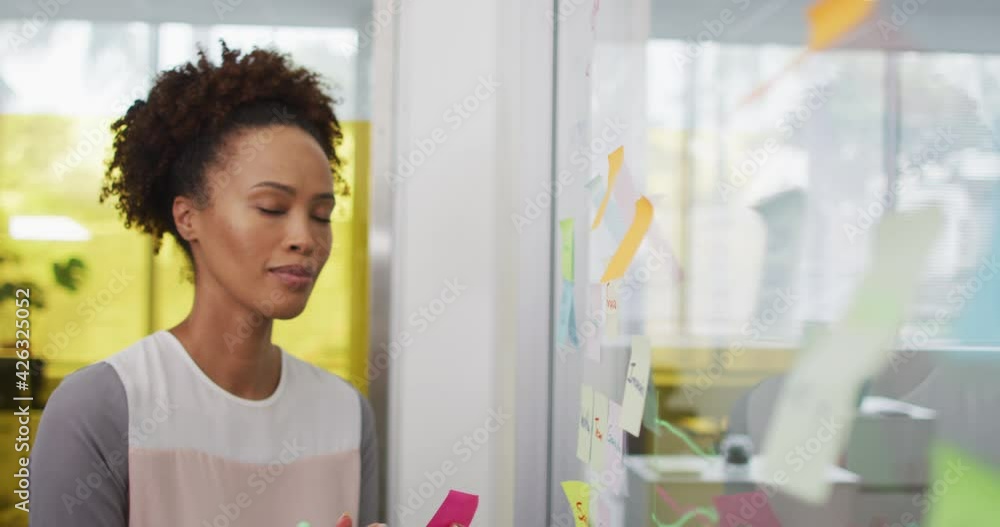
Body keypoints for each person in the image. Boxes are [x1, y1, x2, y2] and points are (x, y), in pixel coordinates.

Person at [29, 42, 388, 527]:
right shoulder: (103, 409)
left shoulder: (346, 416)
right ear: (188, 217)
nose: (305, 238)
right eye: (271, 208)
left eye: (321, 215)